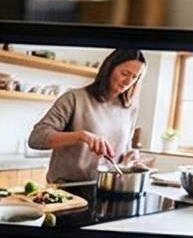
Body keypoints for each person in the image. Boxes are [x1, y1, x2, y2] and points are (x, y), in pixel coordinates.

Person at [27, 49, 149, 186]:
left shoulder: (130, 108)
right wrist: (81, 136)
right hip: (68, 188)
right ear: (109, 68)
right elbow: (36, 138)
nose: (128, 81)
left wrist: (131, 156)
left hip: (107, 187)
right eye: (124, 73)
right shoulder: (74, 98)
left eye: (134, 77)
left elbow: (123, 146)